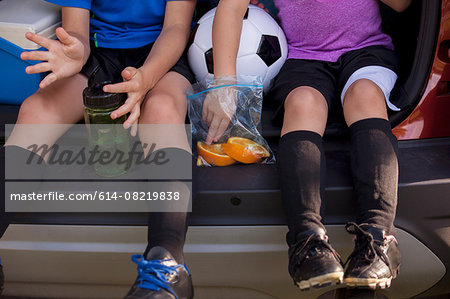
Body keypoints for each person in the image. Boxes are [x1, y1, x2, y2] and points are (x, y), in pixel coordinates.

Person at [1, 0, 197, 298]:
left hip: (163, 57)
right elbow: (77, 31)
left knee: (162, 109)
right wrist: (76, 53)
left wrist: (145, 79)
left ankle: (167, 263)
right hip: (99, 55)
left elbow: (176, 28)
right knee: (36, 110)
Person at [210, 0, 410, 291]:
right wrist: (225, 84)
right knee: (303, 104)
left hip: (367, 51)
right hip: (304, 58)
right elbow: (229, 9)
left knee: (365, 95)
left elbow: (402, 5)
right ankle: (307, 241)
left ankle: (378, 239)